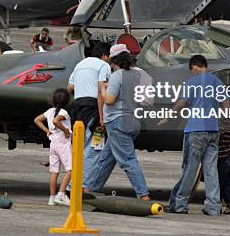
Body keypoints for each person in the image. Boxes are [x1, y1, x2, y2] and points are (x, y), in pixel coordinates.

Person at [168, 55, 229, 216]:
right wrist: (221, 122)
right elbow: (225, 105)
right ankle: (213, 206)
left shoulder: (192, 82)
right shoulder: (217, 82)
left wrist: (168, 116)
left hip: (195, 131)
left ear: (195, 67)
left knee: (190, 169)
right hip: (213, 131)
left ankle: (180, 204)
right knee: (211, 170)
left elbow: (181, 103)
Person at [88, 44, 150, 200]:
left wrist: (102, 87)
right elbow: (147, 100)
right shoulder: (137, 76)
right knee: (106, 159)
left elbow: (109, 100)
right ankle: (90, 189)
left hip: (117, 122)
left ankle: (143, 195)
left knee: (128, 160)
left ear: (114, 60)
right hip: (134, 121)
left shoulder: (116, 76)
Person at [67, 42, 112, 190]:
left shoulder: (80, 64)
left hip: (78, 108)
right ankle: (82, 185)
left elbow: (70, 87)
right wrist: (102, 116)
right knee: (93, 149)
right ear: (104, 55)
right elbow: (102, 87)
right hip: (94, 108)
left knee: (78, 148)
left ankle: (69, 185)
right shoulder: (103, 65)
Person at [34, 88, 72, 207]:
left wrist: (47, 131)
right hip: (63, 143)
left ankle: (52, 198)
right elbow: (56, 121)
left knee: (54, 171)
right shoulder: (64, 113)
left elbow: (37, 120)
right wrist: (66, 131)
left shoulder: (49, 111)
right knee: (71, 169)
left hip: (53, 144)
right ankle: (61, 194)